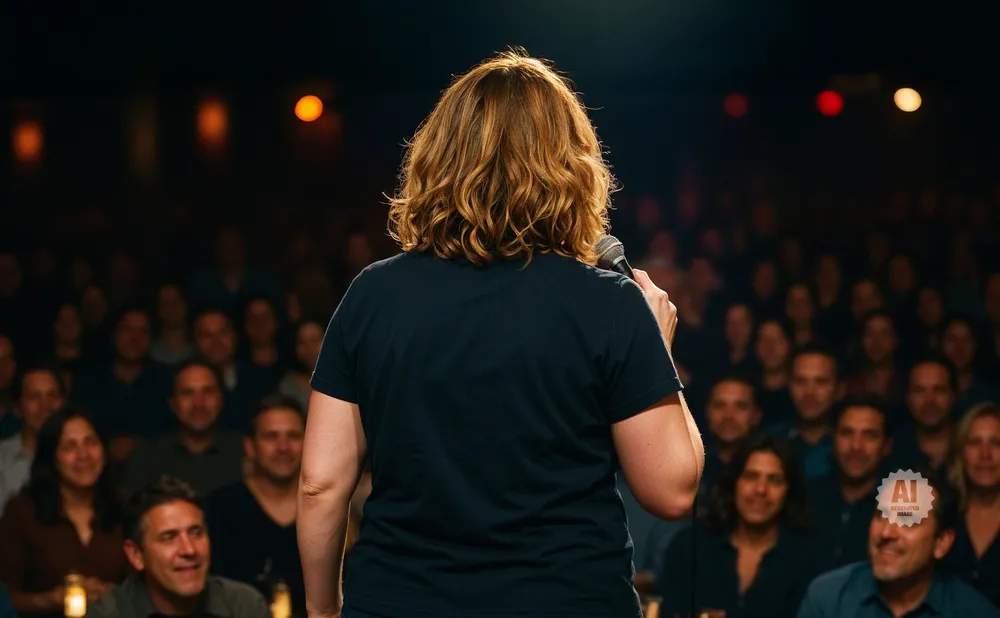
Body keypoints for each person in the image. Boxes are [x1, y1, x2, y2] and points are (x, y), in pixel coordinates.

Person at [297, 49, 705, 618]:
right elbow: (673, 490)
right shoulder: (609, 303)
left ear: (437, 158)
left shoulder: (373, 294)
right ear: (571, 164)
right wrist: (657, 351)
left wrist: (320, 609)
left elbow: (321, 483)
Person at [797, 468, 997, 617]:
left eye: (907, 519)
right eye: (880, 515)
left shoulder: (975, 613)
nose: (886, 532)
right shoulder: (828, 599)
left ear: (941, 543)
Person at [0, 407, 127, 618]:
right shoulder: (22, 513)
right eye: (69, 447)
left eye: (90, 443)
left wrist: (115, 596)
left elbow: (147, 590)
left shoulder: (125, 509)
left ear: (104, 453)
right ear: (52, 459)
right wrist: (50, 600)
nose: (83, 455)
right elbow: (4, 596)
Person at [85, 476, 270, 618]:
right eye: (169, 538)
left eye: (196, 533)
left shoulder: (244, 607)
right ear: (136, 555)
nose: (189, 550)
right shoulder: (108, 614)